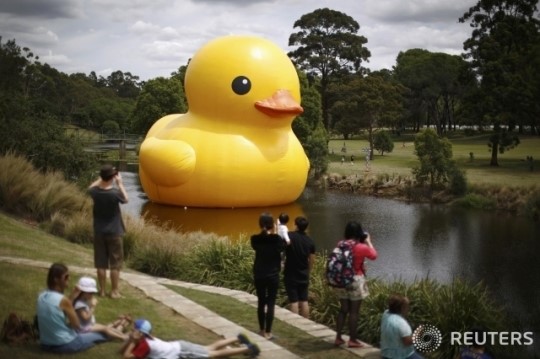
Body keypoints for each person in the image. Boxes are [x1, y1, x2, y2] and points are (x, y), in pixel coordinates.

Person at [36, 262, 107, 353]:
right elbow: (76, 325)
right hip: (65, 344)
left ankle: (116, 328)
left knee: (99, 331)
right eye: (66, 277)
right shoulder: (63, 300)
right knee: (101, 334)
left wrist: (73, 296)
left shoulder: (42, 296)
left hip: (46, 344)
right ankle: (121, 333)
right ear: (56, 280)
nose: (69, 278)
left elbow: (59, 307)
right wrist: (91, 307)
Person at [120, 319, 260, 358]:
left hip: (182, 351)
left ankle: (247, 349)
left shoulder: (144, 345)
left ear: (140, 333)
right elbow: (123, 351)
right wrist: (132, 340)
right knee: (210, 348)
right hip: (181, 347)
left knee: (213, 354)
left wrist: (132, 341)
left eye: (134, 330)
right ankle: (236, 338)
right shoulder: (148, 339)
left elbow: (126, 356)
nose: (131, 332)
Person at [334, 221, 377, 348]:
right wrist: (368, 241)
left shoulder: (341, 244)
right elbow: (374, 255)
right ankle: (352, 340)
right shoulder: (361, 247)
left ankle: (338, 337)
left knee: (343, 310)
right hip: (355, 280)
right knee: (354, 312)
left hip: (341, 280)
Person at [88, 164, 128, 299]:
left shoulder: (95, 192)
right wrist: (120, 183)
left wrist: (102, 179)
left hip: (99, 231)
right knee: (115, 264)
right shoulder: (115, 193)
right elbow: (126, 199)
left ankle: (102, 291)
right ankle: (115, 291)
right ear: (112, 177)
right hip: (114, 231)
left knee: (100, 263)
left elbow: (90, 188)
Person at [251, 212, 286, 340]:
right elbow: (283, 247)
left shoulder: (254, 239)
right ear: (272, 225)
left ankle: (261, 330)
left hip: (259, 273)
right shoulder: (276, 239)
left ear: (260, 224)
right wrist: (276, 231)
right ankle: (268, 332)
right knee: (271, 303)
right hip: (272, 274)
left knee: (261, 302)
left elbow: (257, 246)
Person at [72, 276, 130, 341]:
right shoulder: (79, 304)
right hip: (83, 328)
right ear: (82, 292)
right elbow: (85, 317)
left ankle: (123, 335)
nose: (92, 295)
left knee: (106, 328)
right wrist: (92, 307)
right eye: (90, 293)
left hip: (88, 325)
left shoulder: (84, 301)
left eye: (93, 293)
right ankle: (123, 338)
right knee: (105, 329)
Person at [283, 216, 316, 318]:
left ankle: (295, 324)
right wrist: (308, 271)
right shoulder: (310, 241)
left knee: (294, 301)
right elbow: (312, 259)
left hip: (291, 272)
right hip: (303, 273)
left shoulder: (289, 236)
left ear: (295, 225)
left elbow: (281, 248)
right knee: (304, 300)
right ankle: (305, 323)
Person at [380, 294, 423, 359]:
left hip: (386, 355)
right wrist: (418, 333)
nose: (409, 309)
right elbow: (407, 342)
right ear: (402, 308)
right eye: (407, 306)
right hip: (401, 356)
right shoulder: (402, 323)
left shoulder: (385, 314)